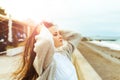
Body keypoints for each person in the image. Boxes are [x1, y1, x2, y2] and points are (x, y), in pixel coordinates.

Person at [12, 21, 81, 80]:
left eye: (59, 34)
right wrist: (43, 29)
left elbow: (77, 35)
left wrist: (57, 30)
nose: (60, 36)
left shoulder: (64, 52)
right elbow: (46, 41)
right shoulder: (45, 60)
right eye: (55, 35)